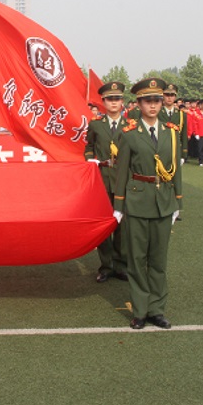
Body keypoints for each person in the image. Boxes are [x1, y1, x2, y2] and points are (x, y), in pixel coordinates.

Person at [113, 78, 182, 330]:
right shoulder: (129, 134)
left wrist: (178, 202)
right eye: (147, 101)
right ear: (138, 104)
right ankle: (140, 310)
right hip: (137, 200)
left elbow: (176, 172)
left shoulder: (171, 132)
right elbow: (122, 170)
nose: (153, 105)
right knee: (137, 259)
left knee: (158, 260)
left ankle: (157, 310)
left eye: (157, 100)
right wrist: (119, 205)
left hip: (163, 201)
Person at [84, 81, 128, 284]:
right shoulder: (96, 124)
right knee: (103, 223)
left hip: (123, 179)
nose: (113, 102)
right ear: (103, 102)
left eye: (117, 99)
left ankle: (121, 265)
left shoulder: (131, 125)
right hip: (102, 178)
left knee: (122, 225)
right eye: (110, 99)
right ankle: (106, 266)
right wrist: (90, 159)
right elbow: (89, 146)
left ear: (122, 101)